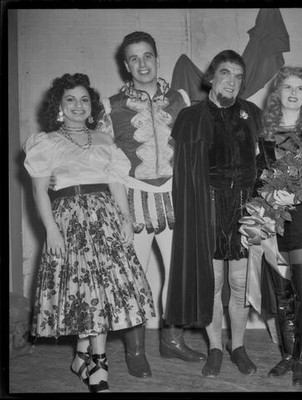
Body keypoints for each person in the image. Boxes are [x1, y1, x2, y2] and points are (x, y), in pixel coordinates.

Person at [24, 73, 156, 393]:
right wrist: (51, 231)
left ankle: (89, 358)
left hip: (105, 221)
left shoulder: (104, 140)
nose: (78, 106)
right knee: (84, 292)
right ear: (59, 105)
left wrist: (126, 219)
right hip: (70, 223)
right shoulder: (46, 142)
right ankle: (93, 362)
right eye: (70, 99)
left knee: (103, 290)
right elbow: (40, 192)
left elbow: (116, 183)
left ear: (92, 105)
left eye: (84, 99)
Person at [98, 31, 205, 378]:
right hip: (131, 199)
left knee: (178, 274)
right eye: (134, 58)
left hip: (175, 198)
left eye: (147, 56)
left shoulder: (181, 98)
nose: (142, 64)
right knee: (134, 277)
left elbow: (194, 149)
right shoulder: (109, 106)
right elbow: (102, 159)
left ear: (157, 58)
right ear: (125, 64)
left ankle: (171, 341)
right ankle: (136, 349)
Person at [165, 50, 262, 377]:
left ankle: (238, 347)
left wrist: (263, 210)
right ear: (211, 77)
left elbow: (265, 167)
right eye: (225, 73)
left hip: (245, 210)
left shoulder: (252, 113)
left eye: (237, 76)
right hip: (207, 209)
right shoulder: (191, 117)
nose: (231, 81)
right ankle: (216, 348)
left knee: (239, 285)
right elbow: (184, 175)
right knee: (213, 283)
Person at [257, 66, 302, 386]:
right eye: (288, 87)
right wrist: (270, 194)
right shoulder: (264, 131)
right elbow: (257, 175)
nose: (294, 93)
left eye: (300, 88)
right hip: (273, 218)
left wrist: (295, 191)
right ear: (278, 93)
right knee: (282, 293)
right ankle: (287, 354)